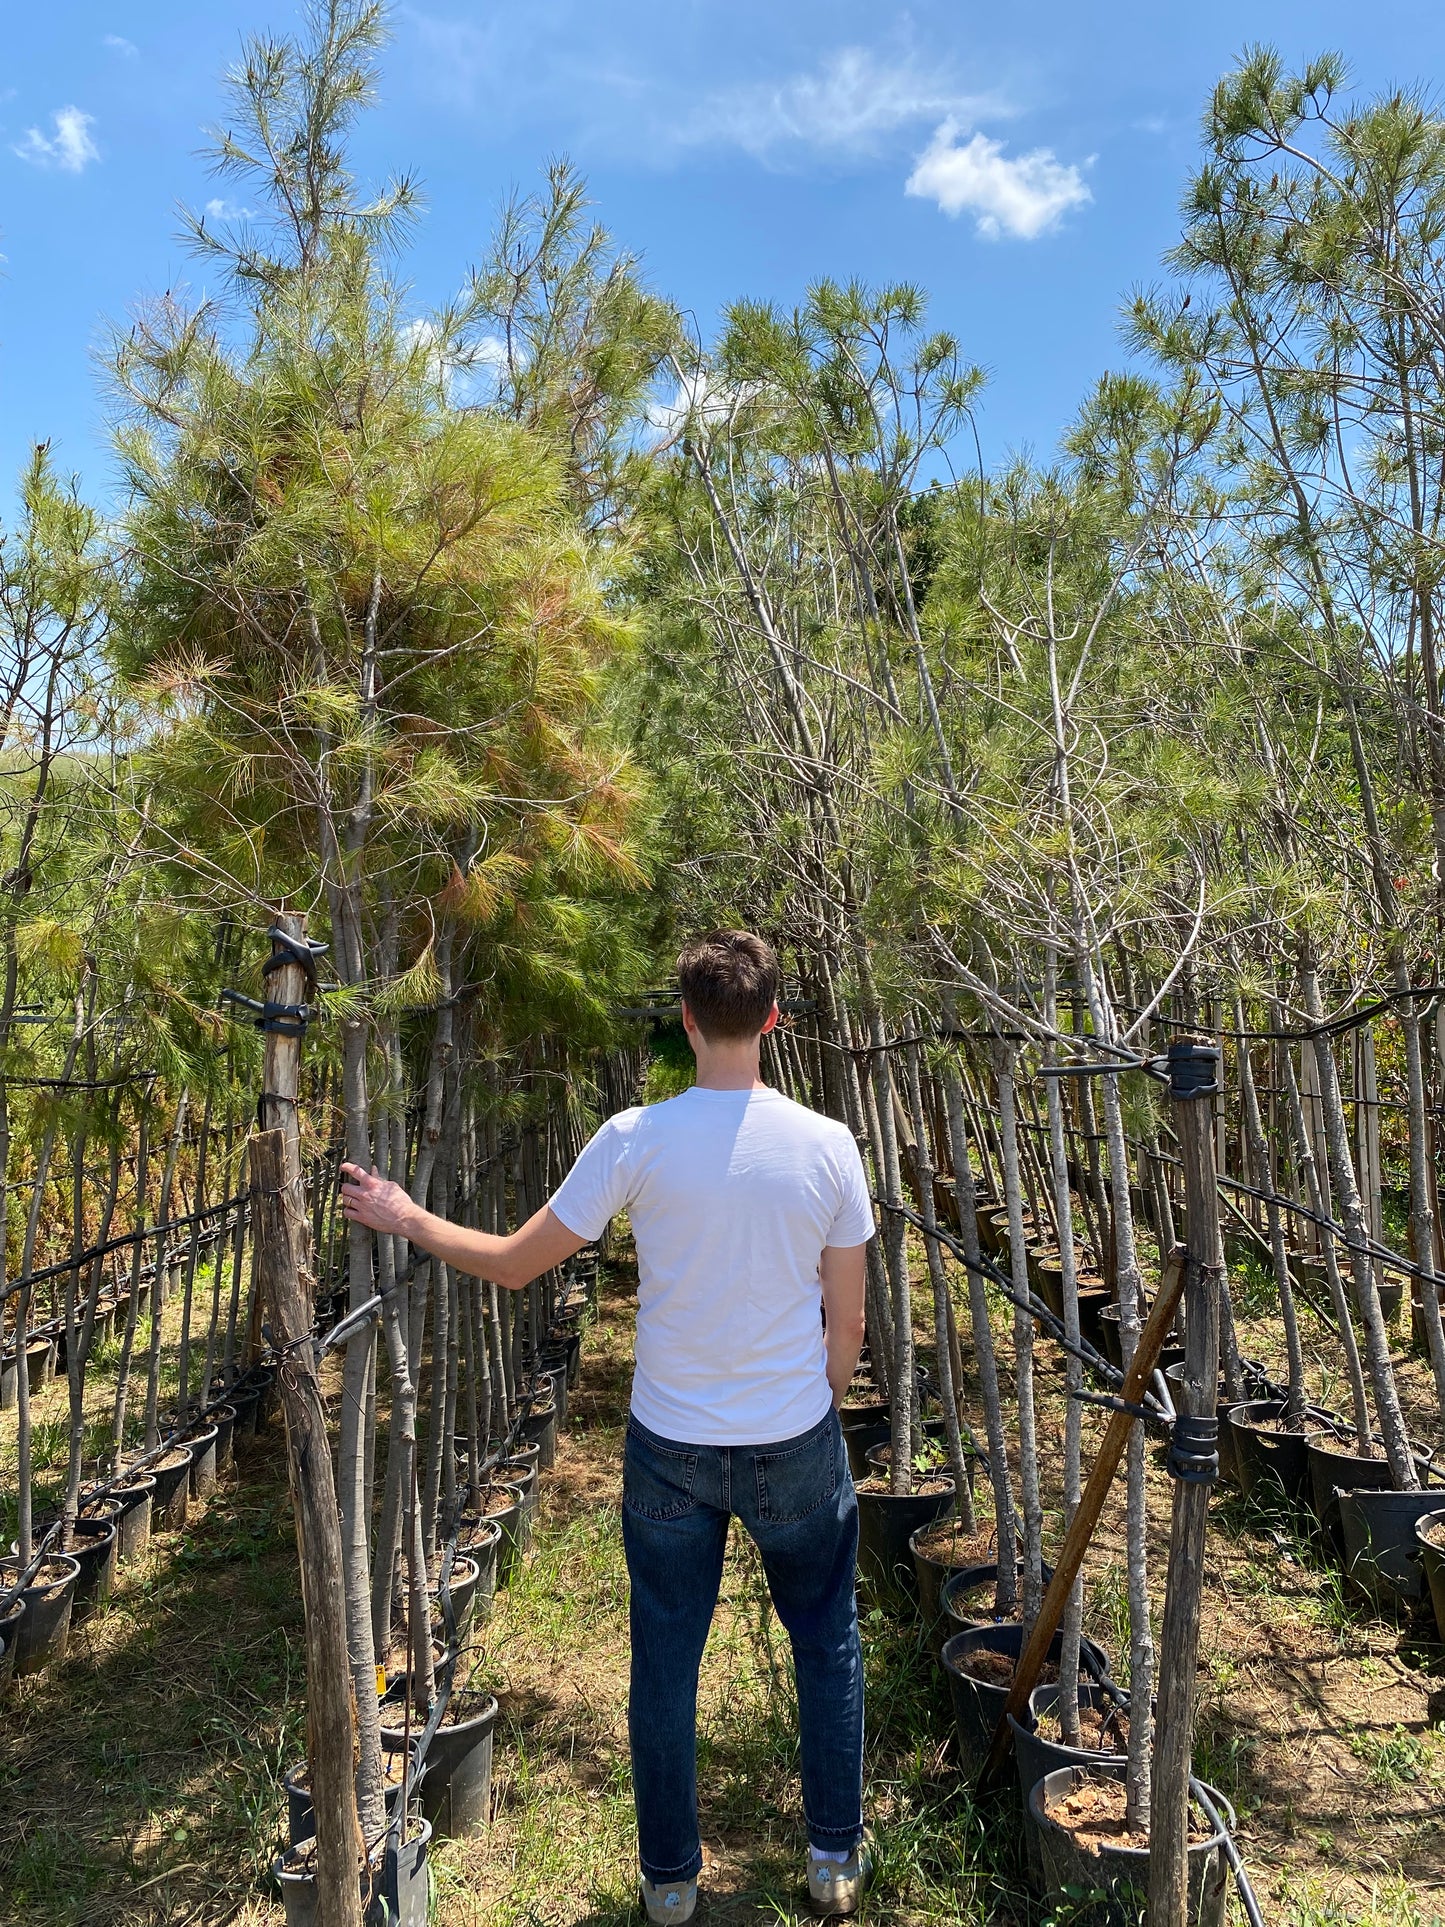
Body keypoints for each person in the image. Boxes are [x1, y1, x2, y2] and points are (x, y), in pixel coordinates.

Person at [340, 929, 875, 1921]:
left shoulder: (634, 1137)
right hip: (791, 1438)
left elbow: (511, 1261)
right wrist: (811, 1407)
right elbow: (844, 1321)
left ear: (683, 1020)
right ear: (771, 1020)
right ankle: (833, 1860)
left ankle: (670, 1880)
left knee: (665, 1661)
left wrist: (408, 1215)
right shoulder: (826, 1145)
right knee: (827, 1646)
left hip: (669, 1447)